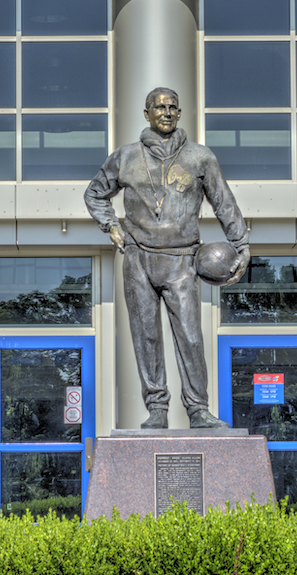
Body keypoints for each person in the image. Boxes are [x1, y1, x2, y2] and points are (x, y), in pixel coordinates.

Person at [84, 87, 250, 429]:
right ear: (146, 113)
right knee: (146, 336)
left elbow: (224, 203)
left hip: (183, 260)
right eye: (160, 107)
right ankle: (157, 407)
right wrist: (111, 226)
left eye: (173, 106)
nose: (167, 112)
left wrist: (241, 244)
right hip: (139, 259)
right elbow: (95, 194)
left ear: (180, 112)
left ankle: (198, 409)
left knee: (190, 337)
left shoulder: (200, 158)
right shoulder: (126, 157)